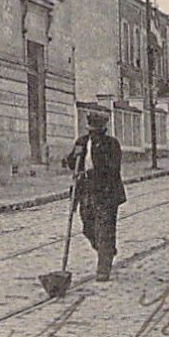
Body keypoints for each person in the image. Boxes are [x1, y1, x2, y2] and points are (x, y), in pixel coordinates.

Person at [63, 112, 126, 281]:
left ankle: (103, 267)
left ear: (103, 129)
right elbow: (70, 163)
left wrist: (92, 173)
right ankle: (107, 251)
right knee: (88, 228)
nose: (93, 134)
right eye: (91, 130)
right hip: (86, 193)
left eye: (97, 130)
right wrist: (72, 160)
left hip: (106, 193)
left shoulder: (111, 144)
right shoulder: (81, 143)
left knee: (104, 229)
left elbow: (113, 169)